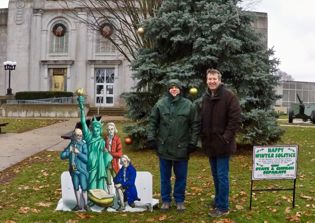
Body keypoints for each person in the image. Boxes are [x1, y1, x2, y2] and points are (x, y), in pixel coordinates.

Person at [147, 79, 199, 211]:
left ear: (180, 90)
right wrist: (151, 138)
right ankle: (165, 200)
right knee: (165, 176)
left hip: (182, 147)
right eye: (171, 87)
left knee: (181, 176)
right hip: (163, 147)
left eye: (176, 87)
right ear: (168, 89)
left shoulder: (188, 105)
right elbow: (153, 122)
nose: (174, 89)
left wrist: (193, 143)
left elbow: (195, 124)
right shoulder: (160, 104)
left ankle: (180, 200)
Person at [196, 68, 241, 217]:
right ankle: (218, 199)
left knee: (222, 176)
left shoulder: (229, 97)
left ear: (219, 80)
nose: (212, 81)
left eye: (214, 79)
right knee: (215, 175)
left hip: (223, 145)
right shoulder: (206, 97)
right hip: (210, 144)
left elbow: (235, 120)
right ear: (206, 80)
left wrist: (226, 138)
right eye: (209, 79)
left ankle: (223, 207)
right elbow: (202, 118)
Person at [77, 96, 113, 191]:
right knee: (92, 180)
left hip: (100, 163)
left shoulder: (101, 140)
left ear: (100, 130)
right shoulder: (89, 137)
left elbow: (104, 151)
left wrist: (107, 154)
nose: (96, 131)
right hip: (92, 163)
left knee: (100, 179)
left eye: (98, 129)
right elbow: (83, 123)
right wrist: (81, 106)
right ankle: (92, 198)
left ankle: (100, 197)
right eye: (95, 129)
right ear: (91, 129)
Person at [60, 128, 90, 211]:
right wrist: (68, 151)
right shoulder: (71, 144)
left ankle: (86, 204)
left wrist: (78, 153)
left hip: (82, 170)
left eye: (81, 135)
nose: (79, 137)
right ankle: (78, 204)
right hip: (73, 170)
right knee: (76, 187)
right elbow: (62, 156)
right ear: (74, 136)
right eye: (77, 135)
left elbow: (87, 159)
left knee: (84, 187)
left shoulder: (84, 145)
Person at [104, 122, 123, 194]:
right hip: (107, 165)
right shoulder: (106, 139)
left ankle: (119, 198)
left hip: (114, 164)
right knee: (108, 181)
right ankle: (110, 198)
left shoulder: (117, 139)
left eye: (112, 129)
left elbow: (120, 154)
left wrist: (109, 153)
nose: (110, 131)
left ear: (114, 129)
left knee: (117, 181)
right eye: (108, 130)